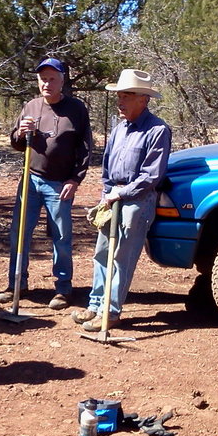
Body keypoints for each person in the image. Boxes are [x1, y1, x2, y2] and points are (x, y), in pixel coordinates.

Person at [71, 69, 171, 331]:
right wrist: (107, 193)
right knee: (102, 252)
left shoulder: (158, 130)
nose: (120, 101)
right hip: (112, 196)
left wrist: (121, 193)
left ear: (144, 99)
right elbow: (107, 167)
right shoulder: (118, 130)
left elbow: (152, 176)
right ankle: (95, 305)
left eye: (127, 95)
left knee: (121, 257)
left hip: (137, 201)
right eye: (119, 95)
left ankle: (111, 312)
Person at [0, 57, 92, 310]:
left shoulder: (76, 109)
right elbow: (16, 142)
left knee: (61, 236)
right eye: (43, 79)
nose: (46, 83)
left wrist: (75, 178)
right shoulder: (31, 106)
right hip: (30, 179)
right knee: (20, 233)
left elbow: (85, 147)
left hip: (60, 183)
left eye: (52, 79)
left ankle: (63, 288)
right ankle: (16, 283)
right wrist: (20, 133)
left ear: (62, 80)